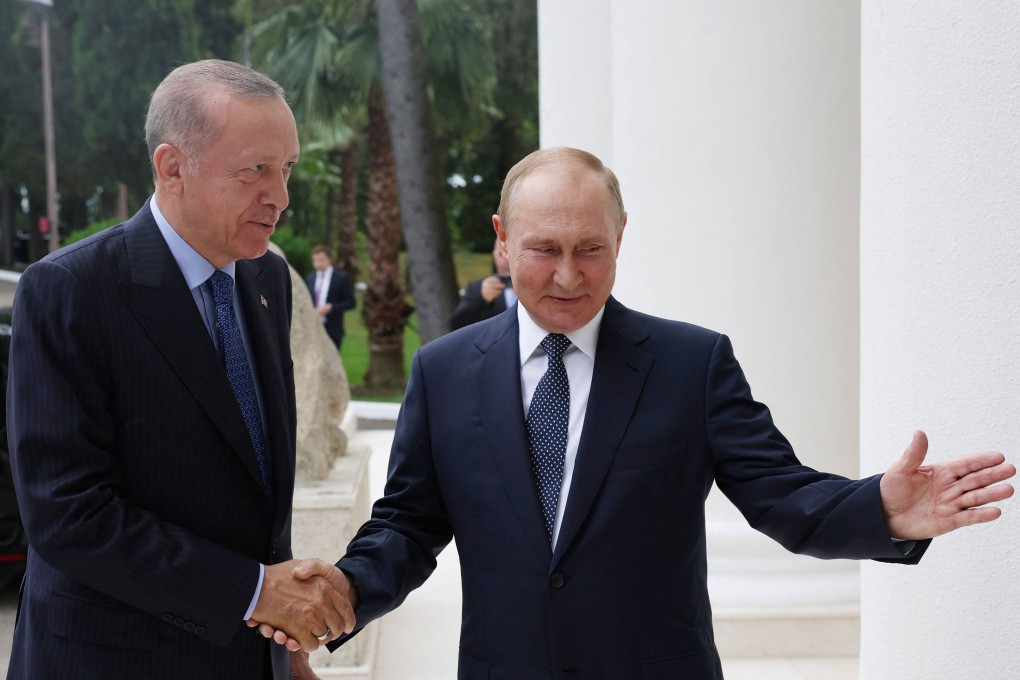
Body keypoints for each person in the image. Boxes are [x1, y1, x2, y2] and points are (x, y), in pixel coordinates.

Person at [257, 147, 1014, 678]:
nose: (566, 274)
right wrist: (347, 589)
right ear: (501, 241)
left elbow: (781, 495)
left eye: (590, 248)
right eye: (543, 247)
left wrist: (879, 508)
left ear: (621, 237)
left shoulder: (693, 364)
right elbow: (411, 523)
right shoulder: (444, 370)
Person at [5, 60, 355, 680]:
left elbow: (254, 486)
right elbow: (68, 514)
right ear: (173, 168)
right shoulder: (69, 289)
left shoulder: (267, 278)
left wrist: (284, 645)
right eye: (256, 170)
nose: (281, 194)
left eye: (287, 168)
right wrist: (255, 594)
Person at [449, 239, 516, 330]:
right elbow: (457, 325)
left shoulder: (536, 284)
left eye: (512, 253)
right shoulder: (478, 287)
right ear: (494, 256)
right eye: (501, 254)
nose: (507, 260)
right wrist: (481, 300)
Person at [305, 245, 356, 350]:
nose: (318, 263)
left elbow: (351, 302)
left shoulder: (340, 278)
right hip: (314, 326)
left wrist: (331, 307)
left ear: (328, 259)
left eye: (321, 259)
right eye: (315, 260)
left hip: (333, 327)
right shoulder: (310, 278)